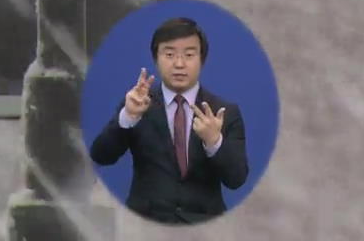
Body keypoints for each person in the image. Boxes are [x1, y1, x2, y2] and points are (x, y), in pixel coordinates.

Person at [89, 17, 249, 224]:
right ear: (156, 58)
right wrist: (128, 117)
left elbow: (236, 179)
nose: (179, 64)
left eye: (189, 55)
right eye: (170, 54)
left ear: (202, 59)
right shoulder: (137, 102)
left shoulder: (224, 111)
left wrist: (214, 141)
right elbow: (101, 155)